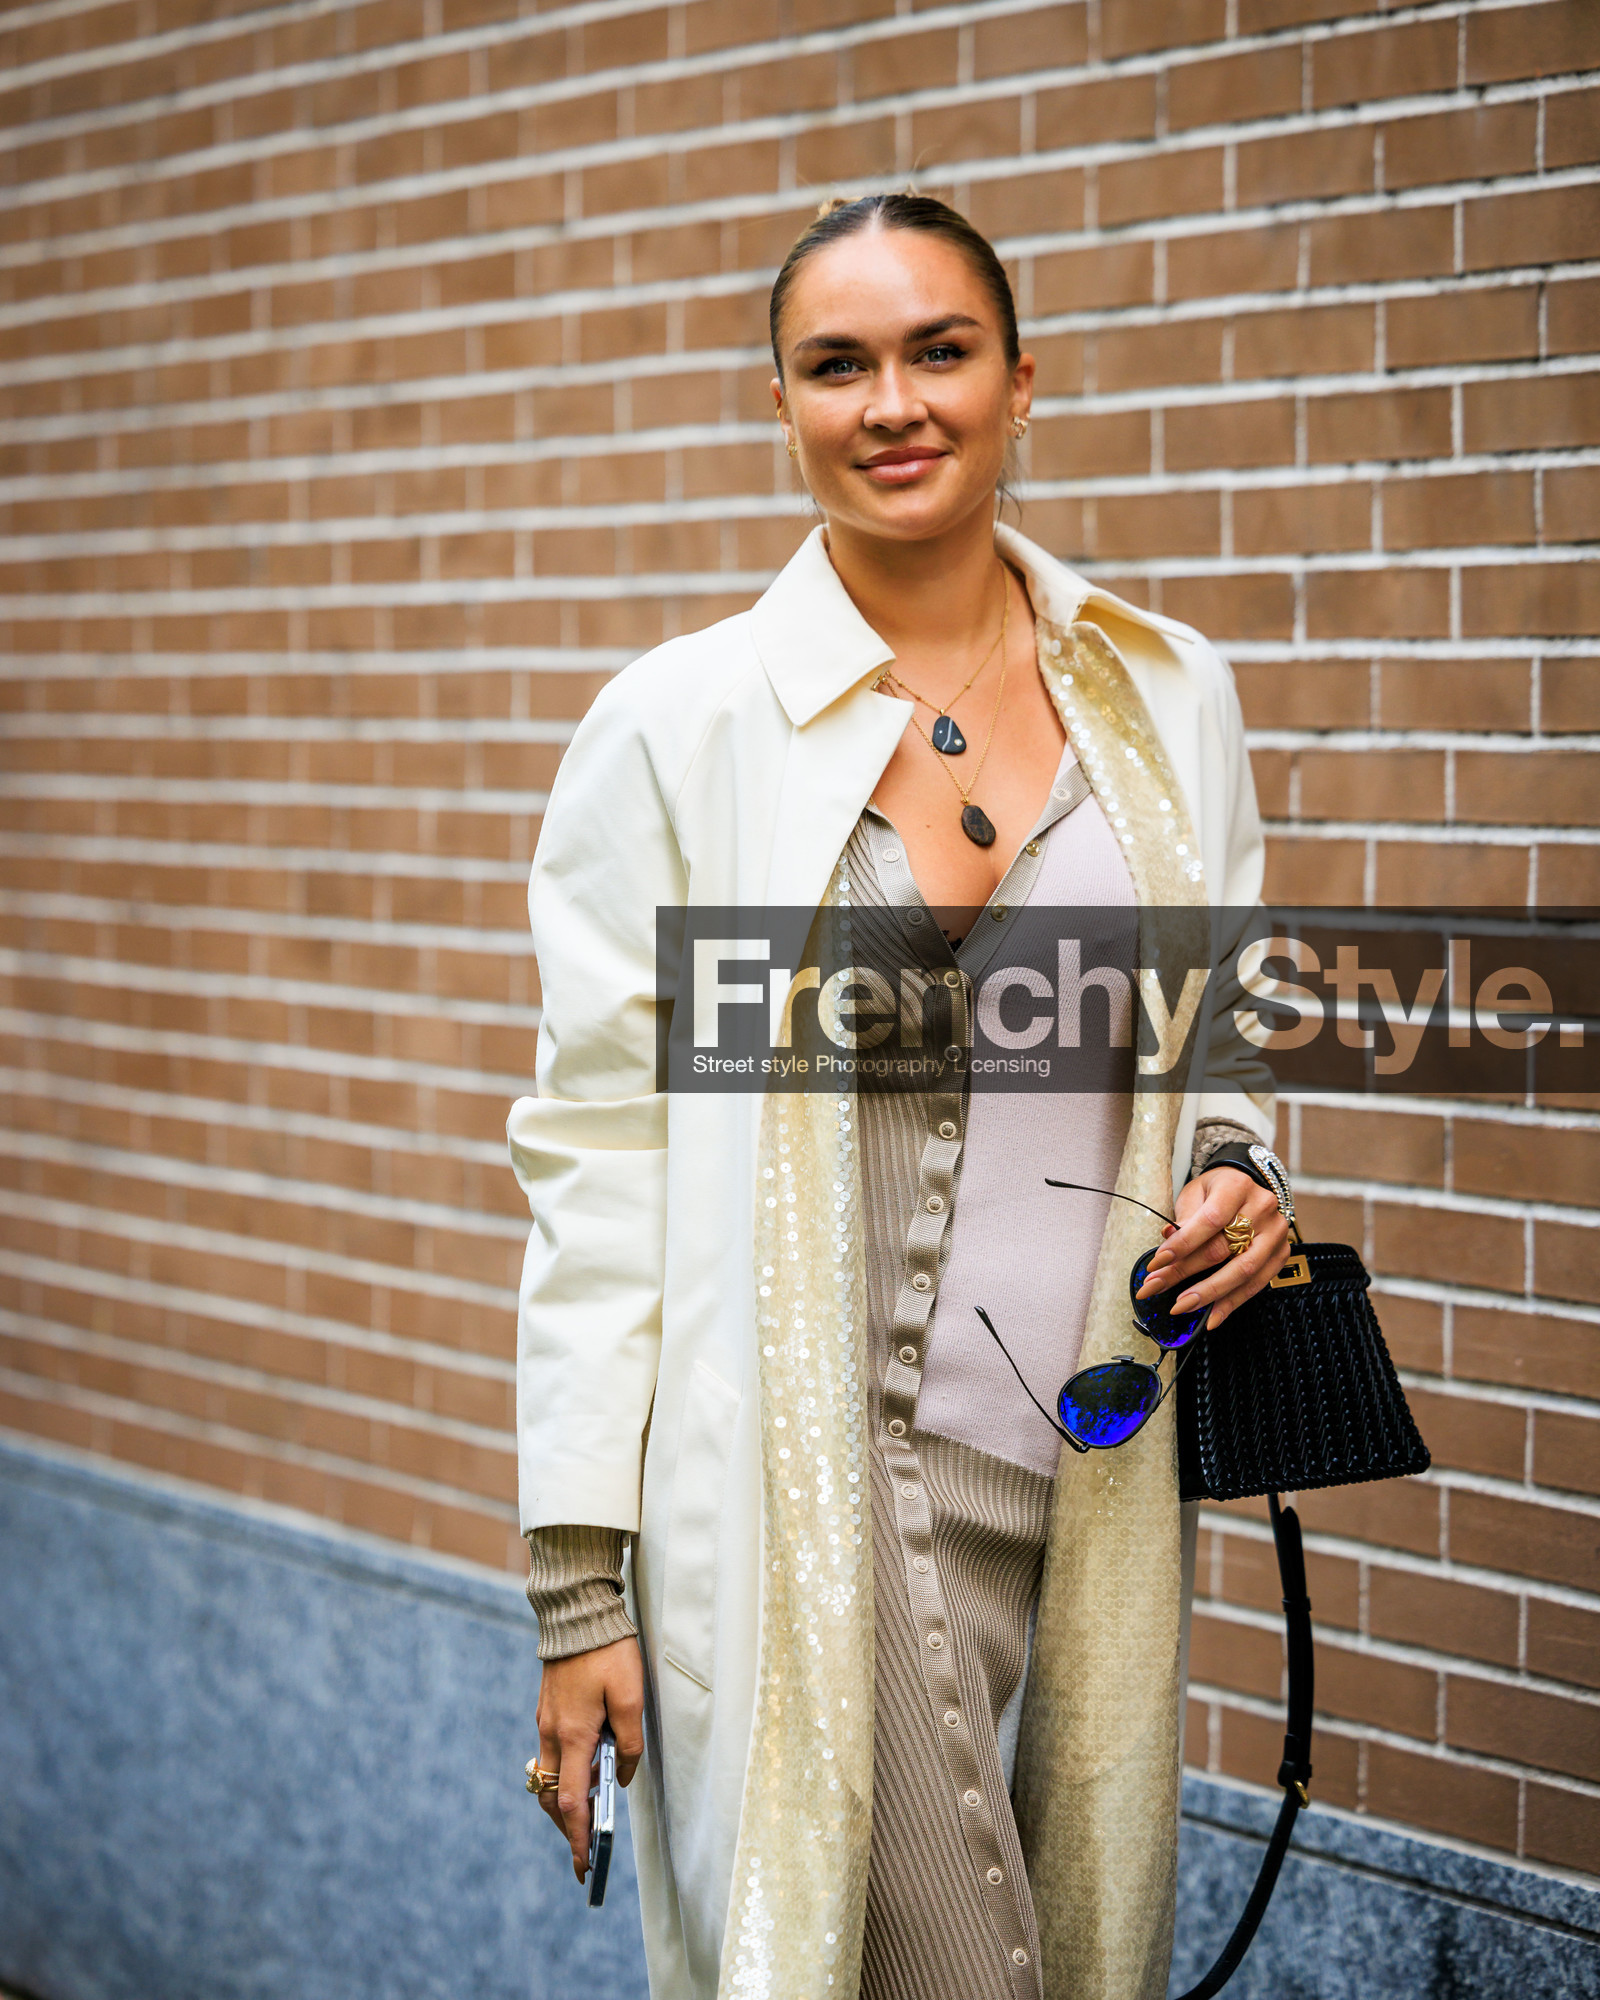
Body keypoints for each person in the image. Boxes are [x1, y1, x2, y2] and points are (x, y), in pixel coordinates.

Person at [509, 193, 1293, 2000]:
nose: (893, 402)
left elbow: (1222, 1020)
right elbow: (599, 1159)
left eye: (939, 351)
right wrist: (579, 1590)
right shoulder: (678, 729)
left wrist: (1243, 1159)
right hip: (806, 1486)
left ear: (1026, 383)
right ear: (777, 405)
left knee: (1087, 1935)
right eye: (836, 364)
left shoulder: (1168, 700)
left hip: (1089, 1466)